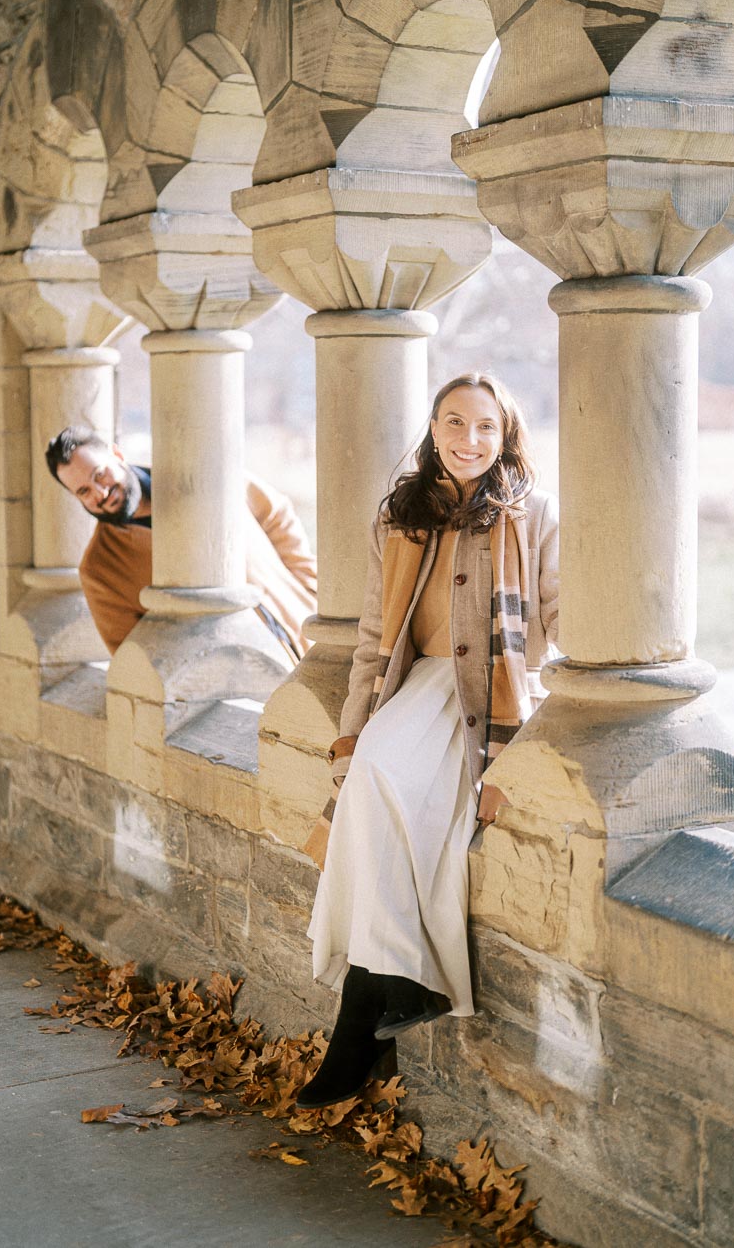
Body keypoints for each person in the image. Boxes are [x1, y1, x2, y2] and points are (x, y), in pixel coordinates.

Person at [297, 373, 559, 1108]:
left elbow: (564, 610)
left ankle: (359, 1022)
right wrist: (351, 731)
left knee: (401, 811)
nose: (468, 439)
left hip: (489, 696)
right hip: (415, 687)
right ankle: (396, 986)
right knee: (371, 782)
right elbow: (378, 637)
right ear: (434, 427)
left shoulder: (530, 510)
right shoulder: (403, 514)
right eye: (454, 422)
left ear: (506, 434)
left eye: (484, 426)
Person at [45, 426, 318, 660]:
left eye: (99, 474)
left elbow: (276, 513)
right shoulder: (99, 571)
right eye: (84, 491)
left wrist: (307, 585)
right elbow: (134, 660)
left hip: (309, 638)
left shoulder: (205, 479)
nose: (101, 493)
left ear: (117, 455)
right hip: (246, 691)